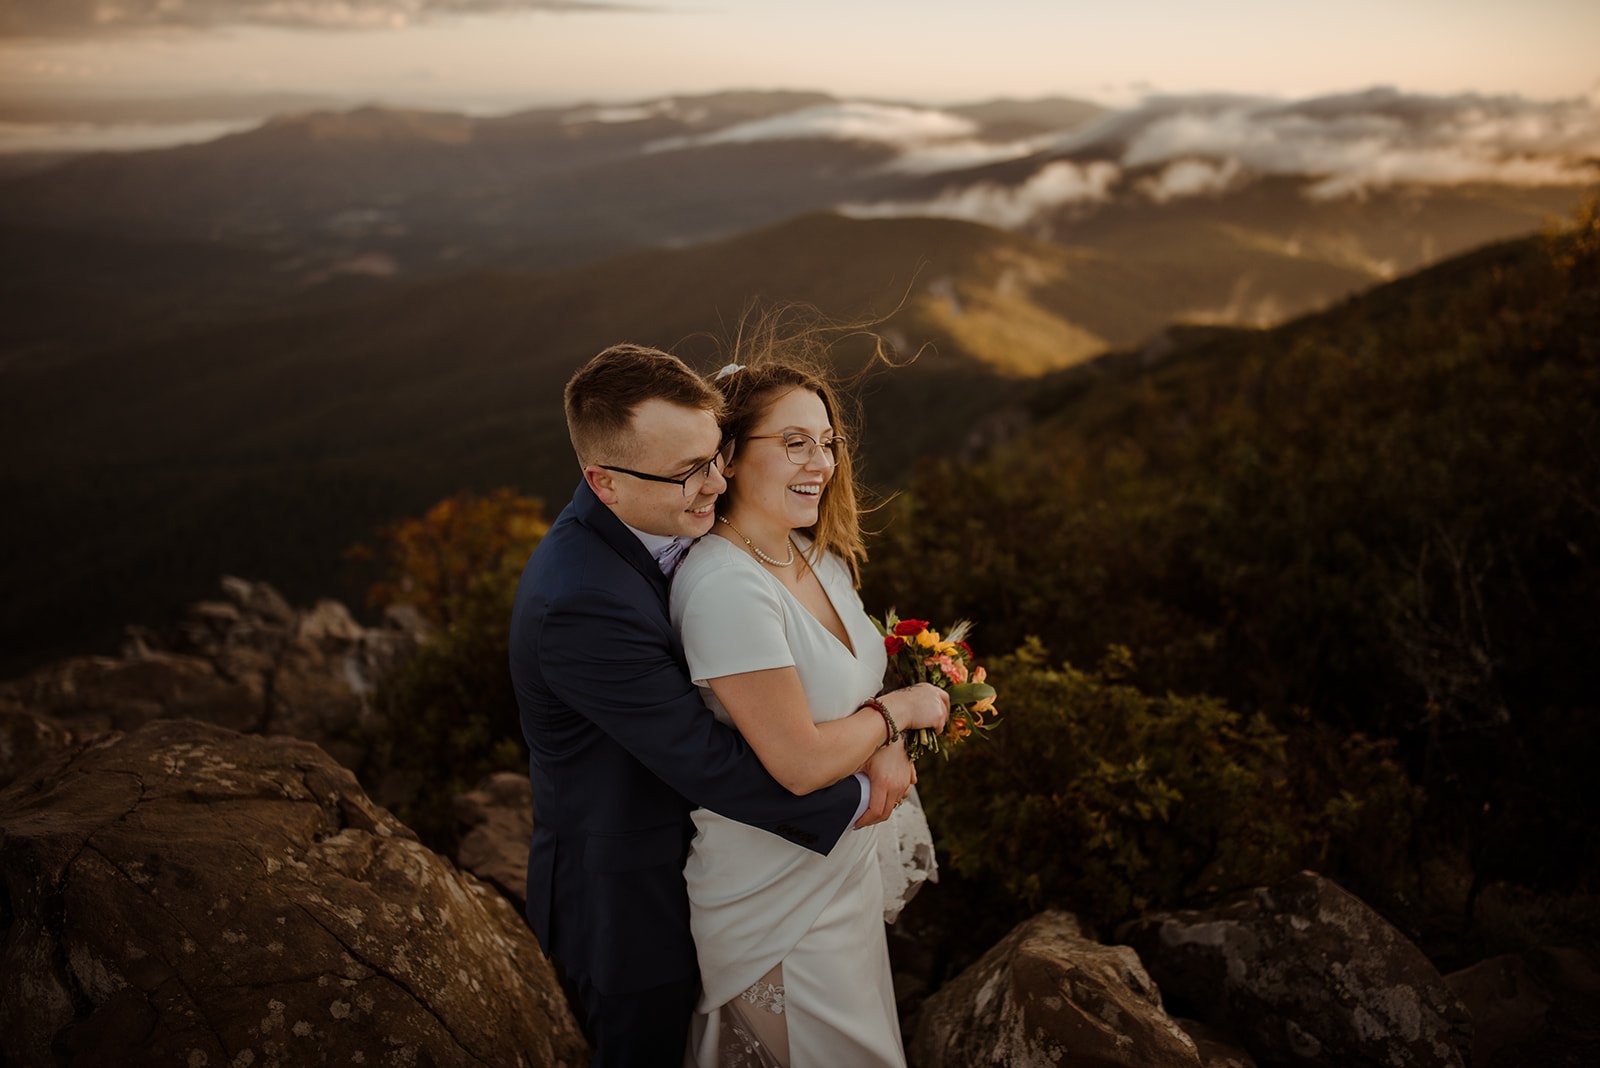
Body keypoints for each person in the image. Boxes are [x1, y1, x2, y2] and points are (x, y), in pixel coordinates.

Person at [508, 343, 948, 1067]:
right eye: (689, 471)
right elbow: (710, 759)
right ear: (604, 482)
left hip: (756, 864)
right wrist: (866, 778)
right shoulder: (580, 601)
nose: (713, 483)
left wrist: (881, 734)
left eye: (713, 457)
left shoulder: (701, 531)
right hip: (629, 888)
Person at [669, 351, 934, 1067]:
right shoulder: (725, 586)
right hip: (776, 899)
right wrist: (900, 715)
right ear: (726, 456)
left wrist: (881, 738)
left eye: (827, 443)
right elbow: (798, 761)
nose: (820, 463)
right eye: (793, 444)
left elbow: (849, 699)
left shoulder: (820, 562)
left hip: (842, 878)